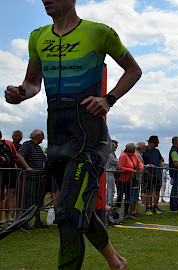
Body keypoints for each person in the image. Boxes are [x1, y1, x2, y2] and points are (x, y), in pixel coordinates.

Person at [4, 0, 141, 268]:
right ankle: (116, 262)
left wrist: (108, 99)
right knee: (76, 210)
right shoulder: (37, 36)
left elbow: (134, 70)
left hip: (90, 138)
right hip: (57, 138)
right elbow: (33, 83)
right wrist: (20, 94)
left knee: (66, 213)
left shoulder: (100, 32)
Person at [16, 129, 48, 228]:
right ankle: (24, 222)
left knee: (38, 200)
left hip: (38, 177)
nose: (43, 138)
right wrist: (27, 167)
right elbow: (19, 155)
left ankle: (37, 221)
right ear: (37, 136)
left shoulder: (38, 147)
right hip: (30, 177)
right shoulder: (27, 145)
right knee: (28, 200)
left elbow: (44, 159)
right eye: (42, 136)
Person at [116, 143, 143, 219]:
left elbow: (139, 162)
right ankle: (116, 211)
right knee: (120, 196)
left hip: (130, 180)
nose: (134, 150)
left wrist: (141, 168)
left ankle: (126, 212)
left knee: (128, 196)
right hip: (122, 179)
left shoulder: (134, 155)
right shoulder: (123, 156)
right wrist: (132, 170)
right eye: (133, 149)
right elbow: (120, 167)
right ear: (130, 149)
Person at [0, 130, 18, 228]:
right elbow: (15, 157)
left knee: (1, 196)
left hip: (1, 172)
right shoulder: (9, 143)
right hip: (12, 171)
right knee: (11, 195)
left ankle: (0, 220)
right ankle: (11, 218)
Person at [142, 136, 164, 215]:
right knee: (149, 191)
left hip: (157, 172)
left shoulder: (157, 151)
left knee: (157, 190)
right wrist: (145, 169)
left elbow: (160, 160)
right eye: (156, 142)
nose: (157, 144)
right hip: (149, 173)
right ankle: (148, 207)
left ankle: (155, 206)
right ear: (151, 142)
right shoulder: (144, 151)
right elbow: (141, 162)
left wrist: (161, 170)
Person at [106, 140, 118, 209]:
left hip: (111, 173)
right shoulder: (109, 155)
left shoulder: (112, 155)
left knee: (110, 189)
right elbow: (116, 162)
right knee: (111, 189)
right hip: (109, 173)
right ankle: (109, 202)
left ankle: (109, 201)